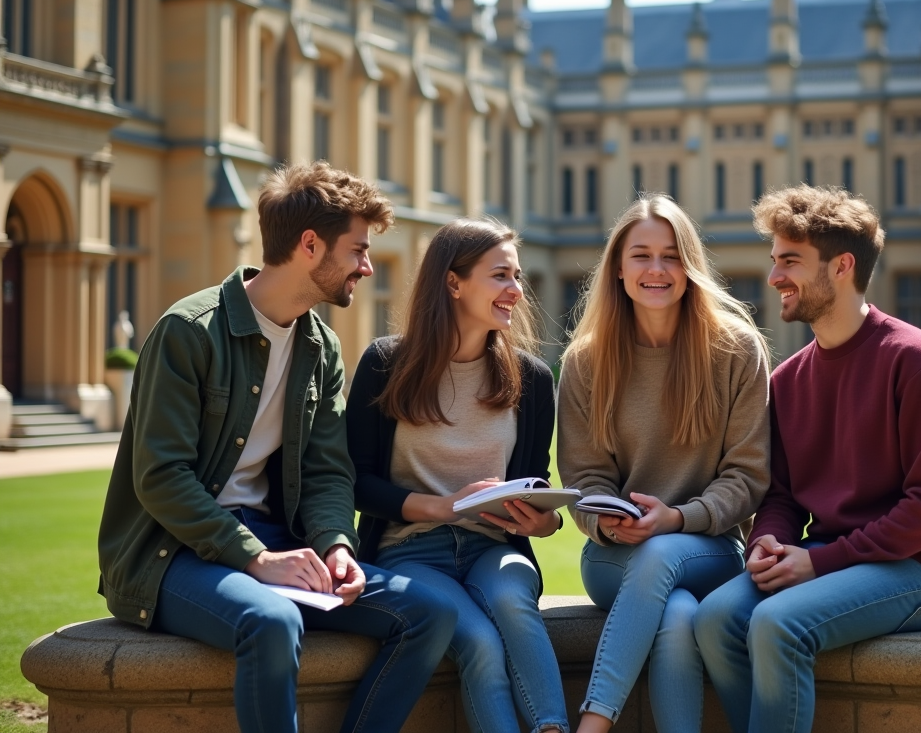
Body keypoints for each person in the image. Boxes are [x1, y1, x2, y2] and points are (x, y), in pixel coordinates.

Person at [97, 161, 456, 733]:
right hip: (172, 552)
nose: (366, 266)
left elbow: (327, 472)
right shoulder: (189, 331)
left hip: (277, 541)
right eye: (358, 251)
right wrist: (256, 559)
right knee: (269, 620)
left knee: (431, 614)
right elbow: (161, 476)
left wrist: (337, 546)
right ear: (310, 245)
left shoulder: (321, 348)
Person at [694, 184, 921, 733]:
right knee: (714, 619)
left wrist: (819, 562)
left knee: (777, 623)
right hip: (832, 555)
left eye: (791, 262)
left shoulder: (917, 361)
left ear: (842, 266)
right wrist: (768, 542)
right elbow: (780, 495)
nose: (775, 276)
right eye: (775, 261)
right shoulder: (788, 379)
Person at [557, 195, 771, 733]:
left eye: (672, 255)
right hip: (613, 556)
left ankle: (594, 722)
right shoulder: (585, 361)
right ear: (619, 270)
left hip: (712, 547)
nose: (657, 270)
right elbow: (582, 478)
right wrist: (603, 519)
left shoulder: (736, 348)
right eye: (641, 256)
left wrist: (678, 518)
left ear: (690, 265)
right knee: (675, 617)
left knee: (664, 556)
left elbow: (748, 475)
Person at [347, 218, 568, 733]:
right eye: (500, 276)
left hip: (495, 548)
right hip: (408, 550)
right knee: (480, 644)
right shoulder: (385, 363)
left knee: (514, 604)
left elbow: (536, 479)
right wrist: (443, 506)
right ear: (453, 282)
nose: (516, 290)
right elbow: (356, 481)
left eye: (517, 277)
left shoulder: (531, 378)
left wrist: (543, 523)